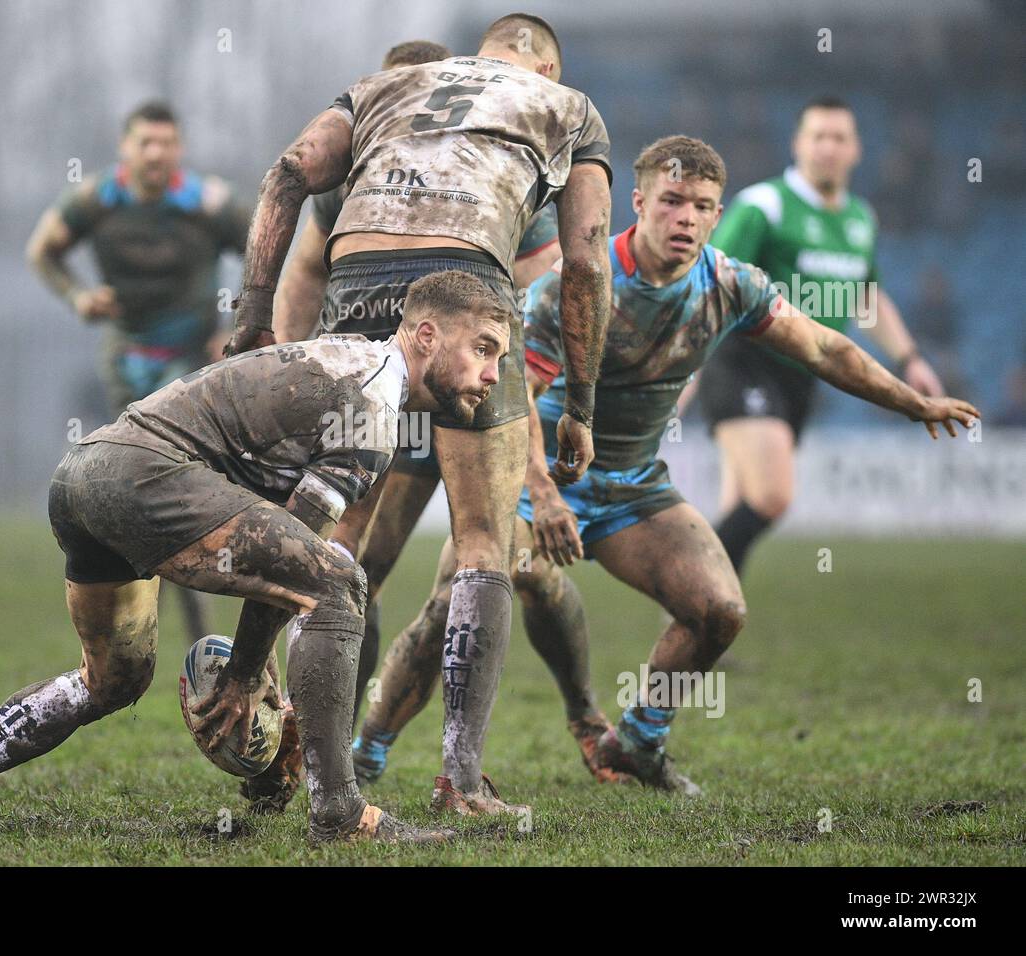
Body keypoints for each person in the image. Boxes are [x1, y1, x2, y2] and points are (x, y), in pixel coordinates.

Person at [352, 136, 980, 794]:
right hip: (530, 480)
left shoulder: (730, 285)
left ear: (717, 215)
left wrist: (911, 400)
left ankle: (640, 742)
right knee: (458, 600)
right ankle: (367, 753)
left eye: (702, 206)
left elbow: (826, 349)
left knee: (719, 610)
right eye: (672, 201)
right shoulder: (579, 286)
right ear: (640, 202)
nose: (685, 217)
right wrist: (544, 493)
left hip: (631, 488)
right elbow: (517, 400)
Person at [0, 269, 512, 844]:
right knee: (338, 581)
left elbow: (278, 549)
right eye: (482, 348)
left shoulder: (348, 363)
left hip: (84, 474)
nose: (492, 374)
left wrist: (253, 670)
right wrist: (244, 672)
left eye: (500, 357)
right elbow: (304, 549)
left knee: (110, 681)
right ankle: (341, 815)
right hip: (141, 477)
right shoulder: (373, 406)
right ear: (426, 335)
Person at [220, 12, 614, 818]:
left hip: (356, 283)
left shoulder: (385, 84)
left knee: (337, 537)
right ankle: (460, 783)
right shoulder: (564, 105)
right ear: (543, 67)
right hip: (463, 278)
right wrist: (579, 402)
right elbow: (586, 257)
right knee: (480, 542)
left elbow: (288, 173)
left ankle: (305, 761)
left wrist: (253, 321)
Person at [26, 99, 250, 644]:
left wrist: (241, 325)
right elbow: (41, 252)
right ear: (126, 147)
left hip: (193, 359)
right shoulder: (97, 198)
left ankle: (200, 621)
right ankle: (130, 616)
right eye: (146, 142)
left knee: (187, 485)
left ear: (180, 149)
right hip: (126, 357)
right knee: (130, 486)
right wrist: (77, 297)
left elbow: (269, 254)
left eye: (167, 143)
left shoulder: (208, 202)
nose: (157, 153)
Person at [696, 96, 944, 579]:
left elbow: (866, 298)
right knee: (771, 496)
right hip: (744, 362)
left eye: (839, 138)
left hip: (805, 374)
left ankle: (701, 629)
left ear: (856, 150)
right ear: (797, 144)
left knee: (738, 505)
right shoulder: (762, 206)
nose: (828, 147)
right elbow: (710, 284)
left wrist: (910, 358)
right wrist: (683, 368)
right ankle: (686, 592)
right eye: (818, 136)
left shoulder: (860, 220)